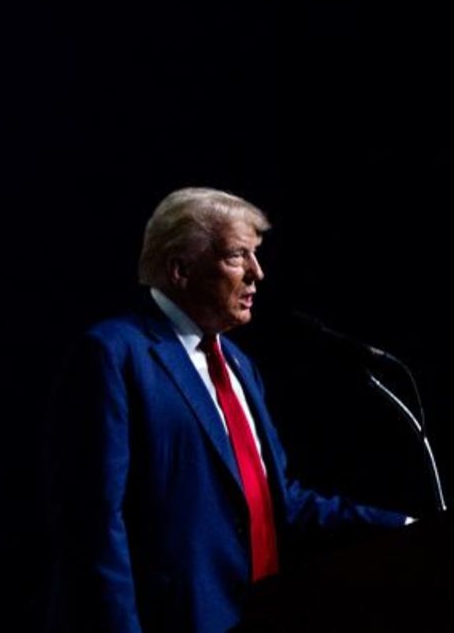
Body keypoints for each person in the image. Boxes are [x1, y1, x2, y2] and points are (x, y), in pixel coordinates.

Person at [44, 187, 407, 632]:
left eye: (255, 256)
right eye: (238, 256)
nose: (258, 273)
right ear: (180, 270)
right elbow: (96, 523)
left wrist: (405, 527)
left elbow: (277, 503)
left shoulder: (239, 365)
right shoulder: (115, 355)